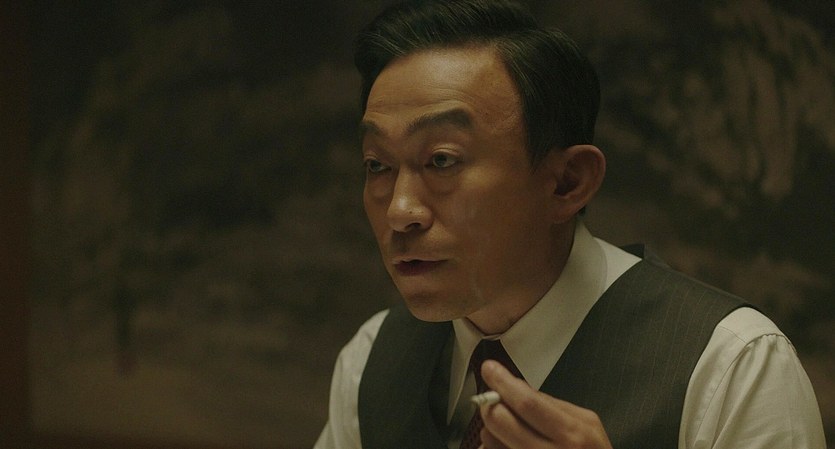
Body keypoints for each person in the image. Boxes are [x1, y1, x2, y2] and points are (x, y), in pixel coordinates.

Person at [314, 1, 826, 448]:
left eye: (442, 160)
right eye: (378, 165)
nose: (400, 209)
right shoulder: (373, 361)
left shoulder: (731, 365)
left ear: (567, 182)